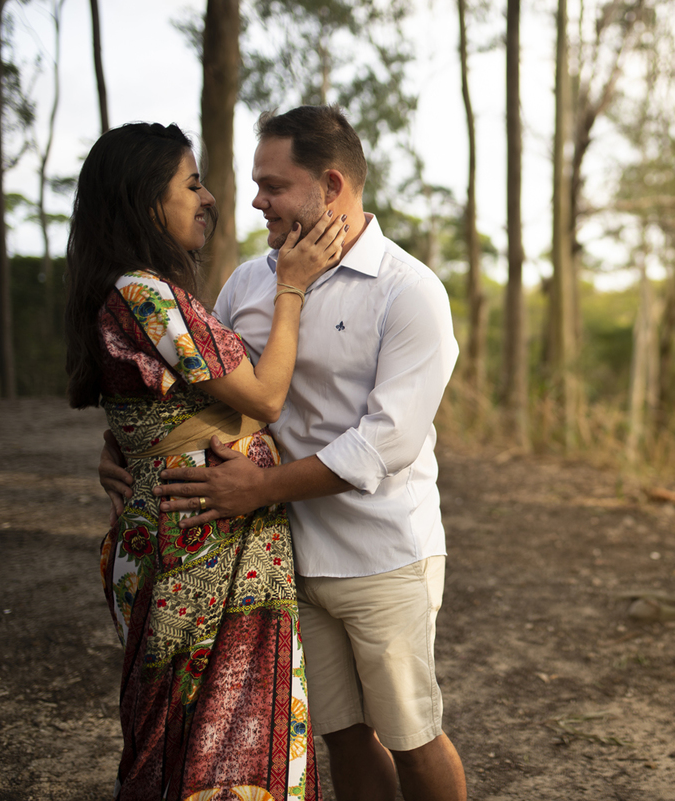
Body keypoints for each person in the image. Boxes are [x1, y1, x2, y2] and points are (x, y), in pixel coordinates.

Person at [99, 106, 466, 801]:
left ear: (330, 185)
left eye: (273, 185)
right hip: (280, 556)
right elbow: (194, 386)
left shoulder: (409, 290)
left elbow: (386, 442)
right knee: (343, 734)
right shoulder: (248, 282)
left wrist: (259, 489)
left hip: (382, 554)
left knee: (413, 733)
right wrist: (124, 448)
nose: (256, 200)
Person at [68, 122, 346, 800]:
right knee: (199, 732)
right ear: (143, 199)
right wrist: (292, 285)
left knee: (194, 730)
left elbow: (147, 408)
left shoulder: (144, 292)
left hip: (190, 530)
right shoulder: (144, 292)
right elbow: (267, 395)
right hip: (194, 536)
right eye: (190, 183)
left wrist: (127, 448)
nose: (211, 197)